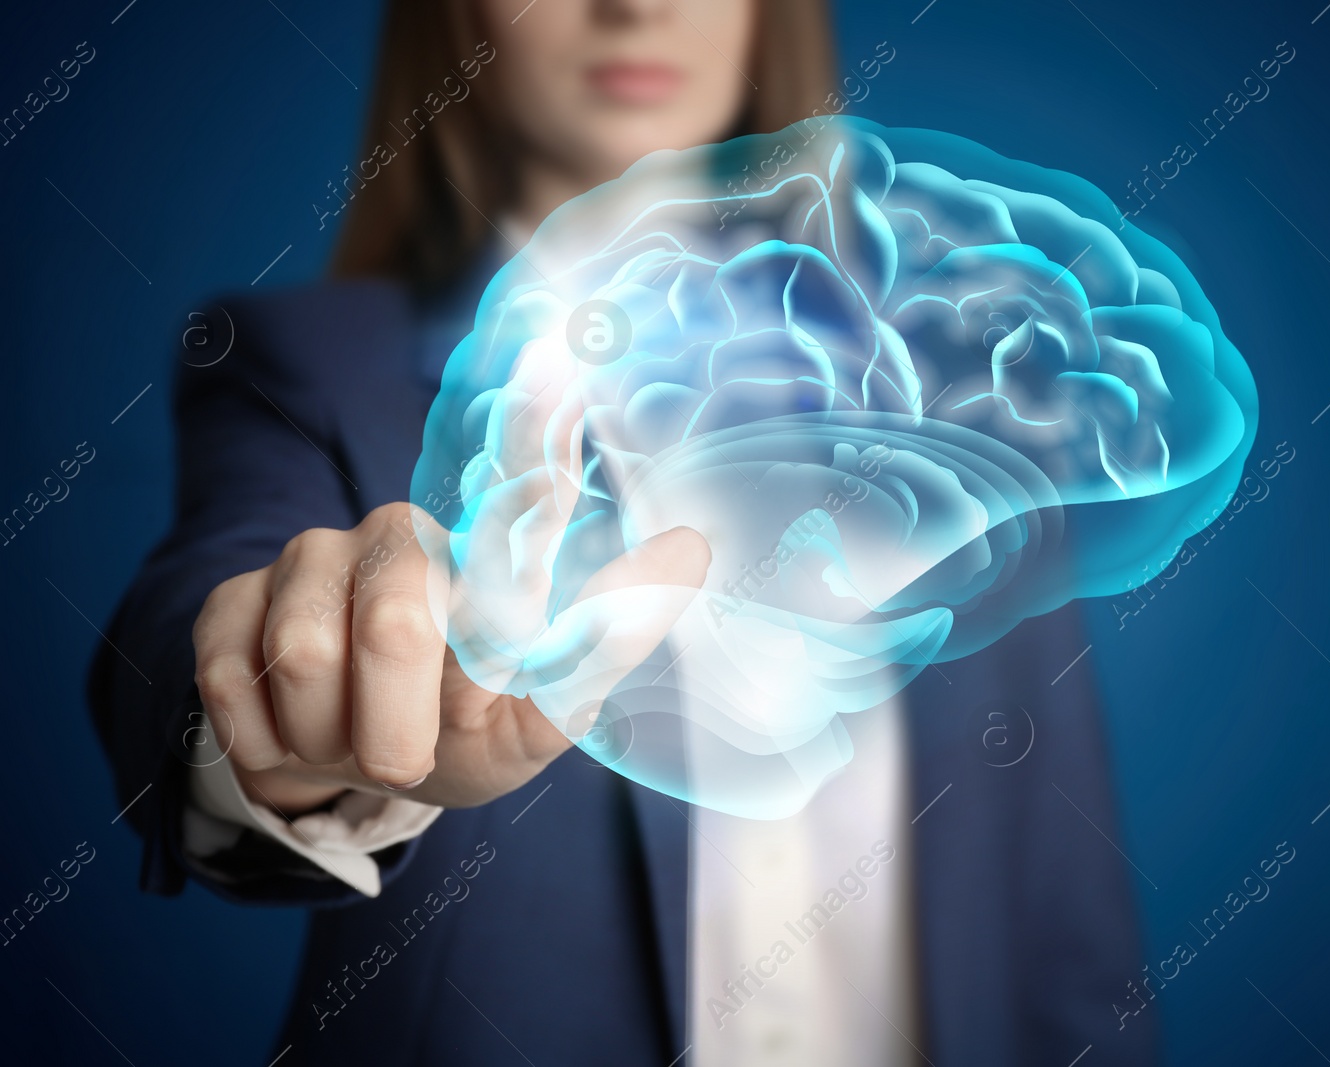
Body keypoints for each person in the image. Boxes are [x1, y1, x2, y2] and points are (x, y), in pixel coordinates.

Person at [89, 1, 1160, 1063]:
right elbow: (196, 619)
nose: (634, 7)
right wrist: (286, 712)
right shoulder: (308, 367)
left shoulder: (965, 383)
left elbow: (1061, 901)